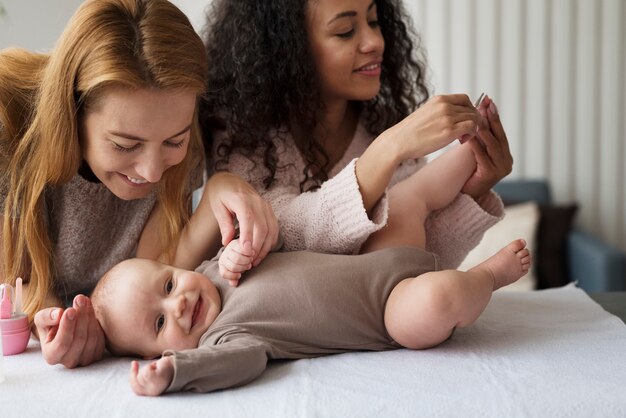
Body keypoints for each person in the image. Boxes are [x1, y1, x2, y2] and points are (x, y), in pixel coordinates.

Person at [91, 142, 531, 396]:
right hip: (389, 315)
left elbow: (283, 242)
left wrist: (247, 246)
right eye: (160, 321)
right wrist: (178, 373)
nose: (180, 301)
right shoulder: (225, 338)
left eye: (168, 283)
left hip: (375, 262)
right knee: (438, 299)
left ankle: (472, 146)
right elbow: (239, 364)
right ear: (159, 353)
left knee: (410, 197)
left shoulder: (213, 267)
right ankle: (489, 276)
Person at [0, 0, 278, 369]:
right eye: (125, 145)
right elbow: (16, 287)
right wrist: (51, 320)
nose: (151, 173)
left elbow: (157, 269)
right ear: (72, 109)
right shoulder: (8, 121)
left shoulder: (177, 123)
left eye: (174, 142)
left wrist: (221, 187)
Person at [200, 0, 513, 272]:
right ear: (287, 46)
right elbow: (278, 233)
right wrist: (388, 149)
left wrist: (474, 189)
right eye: (346, 31)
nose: (374, 41)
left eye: (374, 21)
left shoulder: (384, 125)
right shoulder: (241, 133)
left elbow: (414, 263)